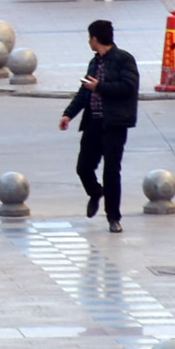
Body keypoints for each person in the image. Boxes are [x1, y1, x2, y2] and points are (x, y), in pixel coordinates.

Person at [59, 18, 141, 231]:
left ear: (95, 39)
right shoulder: (94, 62)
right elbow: (84, 91)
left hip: (114, 123)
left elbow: (128, 88)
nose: (89, 42)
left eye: (90, 38)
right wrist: (68, 114)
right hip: (93, 122)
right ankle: (95, 192)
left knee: (111, 171)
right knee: (83, 167)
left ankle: (113, 217)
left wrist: (100, 87)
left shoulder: (124, 59)